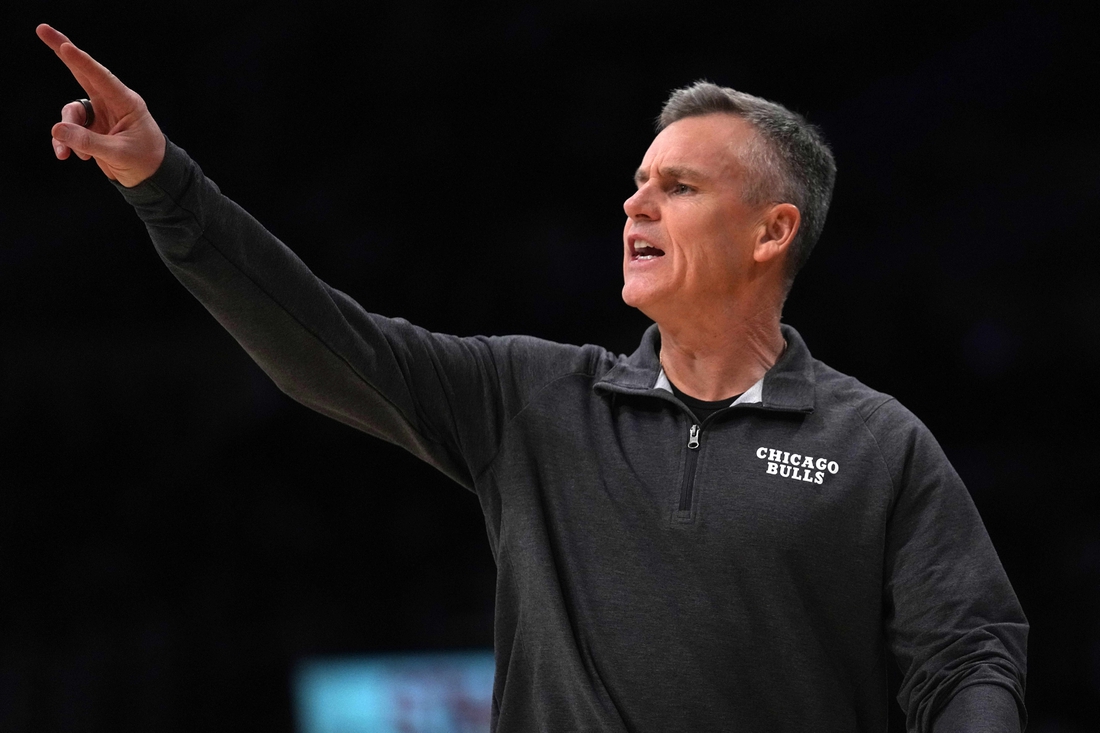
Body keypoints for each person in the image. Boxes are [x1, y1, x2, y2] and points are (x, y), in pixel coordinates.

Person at [38, 23, 1028, 732]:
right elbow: (324, 342)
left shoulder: (876, 444)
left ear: (772, 232)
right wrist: (166, 185)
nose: (635, 204)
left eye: (677, 187)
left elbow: (967, 656)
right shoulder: (533, 400)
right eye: (637, 183)